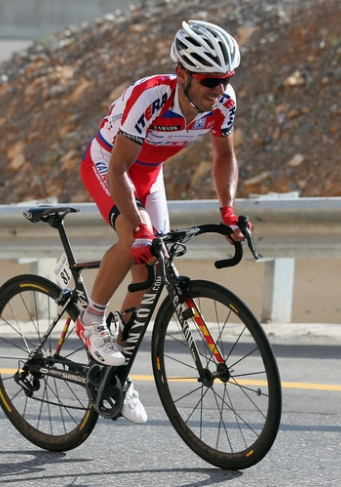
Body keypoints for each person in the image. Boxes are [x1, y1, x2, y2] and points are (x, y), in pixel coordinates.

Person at [77, 19, 250, 424]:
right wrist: (136, 228)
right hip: (108, 166)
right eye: (210, 80)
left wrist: (227, 210)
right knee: (135, 240)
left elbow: (224, 156)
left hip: (149, 176)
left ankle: (114, 373)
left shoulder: (223, 103)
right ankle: (91, 318)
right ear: (183, 74)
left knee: (157, 266)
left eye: (227, 79)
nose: (219, 89)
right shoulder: (150, 96)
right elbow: (118, 167)